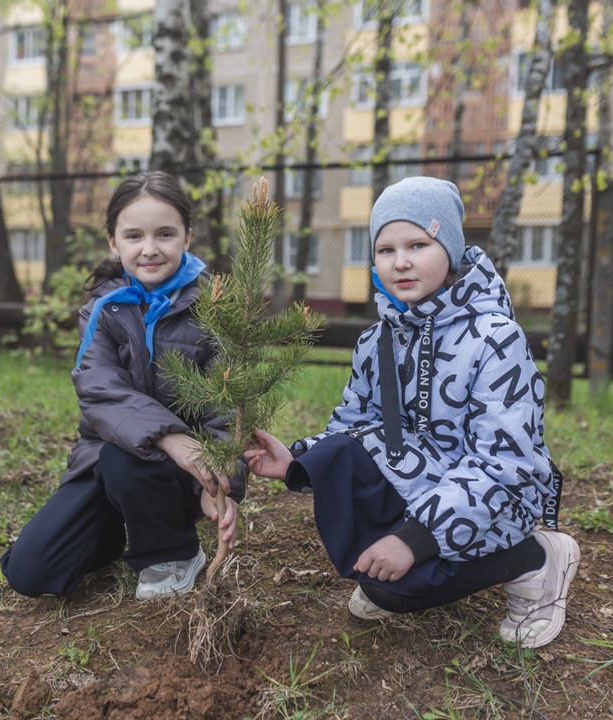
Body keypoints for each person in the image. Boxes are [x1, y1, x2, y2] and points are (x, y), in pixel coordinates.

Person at [245, 176, 579, 648]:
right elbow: (354, 429)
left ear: (451, 250)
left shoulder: (495, 339)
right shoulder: (377, 340)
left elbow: (504, 465)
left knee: (395, 588)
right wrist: (299, 462)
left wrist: (414, 539)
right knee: (344, 461)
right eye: (385, 249)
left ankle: (535, 559)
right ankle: (425, 553)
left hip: (499, 499)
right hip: (425, 482)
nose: (400, 262)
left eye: (417, 245)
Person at [0, 171, 244, 601]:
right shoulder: (102, 310)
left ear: (187, 237)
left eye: (165, 234)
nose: (149, 249)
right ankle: (117, 528)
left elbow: (228, 410)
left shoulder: (214, 309)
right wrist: (169, 437)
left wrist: (225, 486)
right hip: (108, 463)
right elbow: (99, 391)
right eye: (134, 236)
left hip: (185, 476)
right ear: (114, 242)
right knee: (31, 571)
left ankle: (174, 553)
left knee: (125, 458)